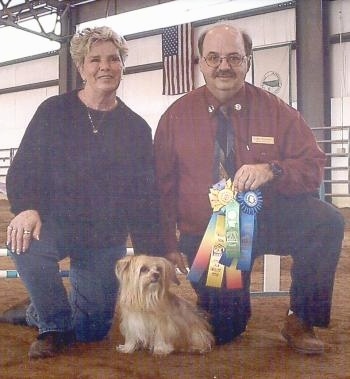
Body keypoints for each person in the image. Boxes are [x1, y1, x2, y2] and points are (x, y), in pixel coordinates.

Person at [154, 23, 345, 354]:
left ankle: (301, 319)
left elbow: (313, 166)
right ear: (200, 62)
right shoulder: (175, 117)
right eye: (213, 57)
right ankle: (218, 306)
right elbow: (161, 188)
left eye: (233, 57)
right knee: (226, 329)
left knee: (327, 220)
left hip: (269, 219)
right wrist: (166, 245)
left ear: (248, 61)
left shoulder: (277, 111)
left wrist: (273, 169)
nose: (223, 66)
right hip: (211, 233)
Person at [1, 26, 163, 359]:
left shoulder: (136, 129)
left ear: (122, 66)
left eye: (113, 59)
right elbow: (23, 169)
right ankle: (53, 326)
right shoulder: (53, 112)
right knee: (24, 241)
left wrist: (151, 251)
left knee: (93, 331)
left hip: (104, 238)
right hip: (54, 224)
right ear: (81, 68)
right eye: (95, 60)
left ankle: (34, 310)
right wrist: (27, 207)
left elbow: (144, 197)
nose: (105, 66)